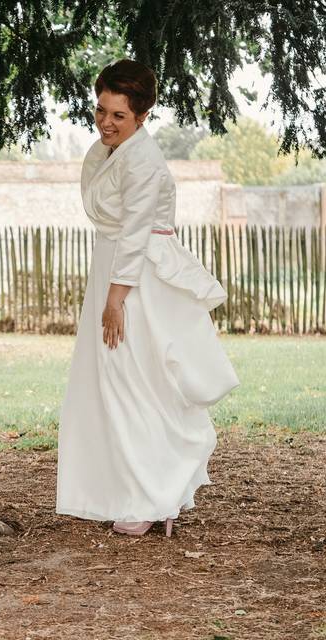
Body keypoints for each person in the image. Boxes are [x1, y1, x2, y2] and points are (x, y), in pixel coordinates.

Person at [55, 60, 239, 537]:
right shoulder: (109, 151)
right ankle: (139, 492)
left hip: (136, 280)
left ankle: (150, 496)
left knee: (134, 381)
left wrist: (116, 300)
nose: (106, 122)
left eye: (119, 114)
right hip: (113, 266)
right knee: (117, 381)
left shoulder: (142, 159)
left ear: (141, 114)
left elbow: (136, 232)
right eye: (101, 111)